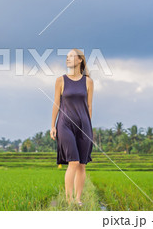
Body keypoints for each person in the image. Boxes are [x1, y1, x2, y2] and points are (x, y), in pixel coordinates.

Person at [50, 48, 94, 206]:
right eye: (66, 57)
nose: (67, 59)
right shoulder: (60, 80)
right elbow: (56, 103)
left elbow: (89, 106)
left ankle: (78, 199)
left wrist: (88, 127)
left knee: (82, 164)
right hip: (64, 124)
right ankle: (69, 200)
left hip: (84, 125)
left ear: (80, 60)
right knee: (73, 162)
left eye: (71, 56)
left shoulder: (88, 82)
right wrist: (52, 125)